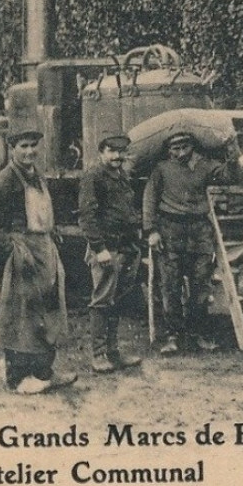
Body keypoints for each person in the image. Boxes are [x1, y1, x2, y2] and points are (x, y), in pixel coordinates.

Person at [0, 129, 76, 394]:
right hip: (22, 256)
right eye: (24, 146)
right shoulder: (4, 181)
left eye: (34, 145)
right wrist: (12, 252)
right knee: (20, 315)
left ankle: (44, 372)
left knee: (47, 312)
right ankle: (17, 378)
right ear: (12, 149)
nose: (30, 151)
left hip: (43, 250)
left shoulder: (37, 177)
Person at [143, 131, 243, 354]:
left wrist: (232, 155)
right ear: (168, 150)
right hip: (170, 229)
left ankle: (197, 333)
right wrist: (151, 230)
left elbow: (230, 176)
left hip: (199, 231)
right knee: (170, 285)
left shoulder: (205, 166)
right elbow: (149, 199)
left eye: (185, 148)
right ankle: (172, 336)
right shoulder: (161, 169)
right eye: (175, 149)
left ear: (193, 147)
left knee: (201, 283)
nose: (180, 153)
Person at [78, 134, 143, 373]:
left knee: (118, 299)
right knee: (102, 300)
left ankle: (114, 352)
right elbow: (87, 215)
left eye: (121, 152)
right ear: (101, 153)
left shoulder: (122, 176)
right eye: (111, 151)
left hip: (126, 246)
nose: (117, 156)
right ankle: (98, 355)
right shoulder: (93, 176)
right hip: (106, 249)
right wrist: (99, 248)